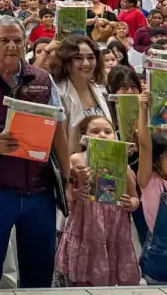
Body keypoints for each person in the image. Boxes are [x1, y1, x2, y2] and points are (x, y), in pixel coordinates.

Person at [0, 15, 71, 289]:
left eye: (17, 41)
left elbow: (59, 130)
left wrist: (67, 177)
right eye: (4, 40)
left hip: (38, 190)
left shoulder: (42, 80)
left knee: (40, 269)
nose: (11, 46)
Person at [54, 115, 140, 286]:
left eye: (108, 131)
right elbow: (66, 192)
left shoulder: (124, 165)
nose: (102, 135)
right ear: (83, 137)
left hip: (114, 228)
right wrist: (76, 192)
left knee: (111, 275)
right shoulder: (76, 160)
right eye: (95, 131)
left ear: (116, 136)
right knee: (82, 276)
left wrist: (130, 203)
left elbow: (135, 197)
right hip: (85, 225)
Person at [53, 35, 111, 151]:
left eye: (90, 57)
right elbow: (59, 142)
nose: (86, 63)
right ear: (66, 62)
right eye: (78, 58)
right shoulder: (58, 94)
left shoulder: (100, 89)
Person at [136, 97, 167, 284]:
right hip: (159, 262)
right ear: (155, 163)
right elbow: (145, 145)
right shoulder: (149, 182)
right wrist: (143, 109)